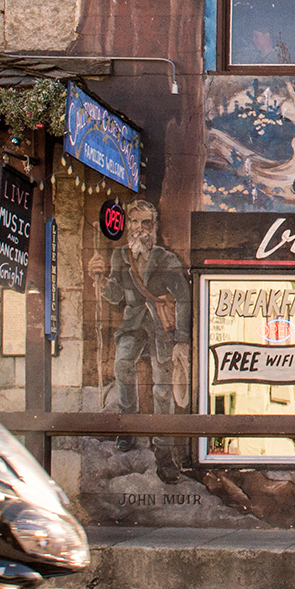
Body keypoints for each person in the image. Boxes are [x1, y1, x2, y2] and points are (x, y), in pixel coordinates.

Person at [87, 199, 191, 467]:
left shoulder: (167, 259)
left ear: (154, 227)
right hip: (133, 323)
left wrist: (181, 339)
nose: (140, 228)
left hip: (162, 327)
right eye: (135, 222)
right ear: (128, 225)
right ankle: (128, 426)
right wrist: (97, 279)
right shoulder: (120, 256)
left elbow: (183, 299)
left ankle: (163, 444)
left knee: (162, 385)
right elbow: (115, 296)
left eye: (146, 223)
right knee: (122, 364)